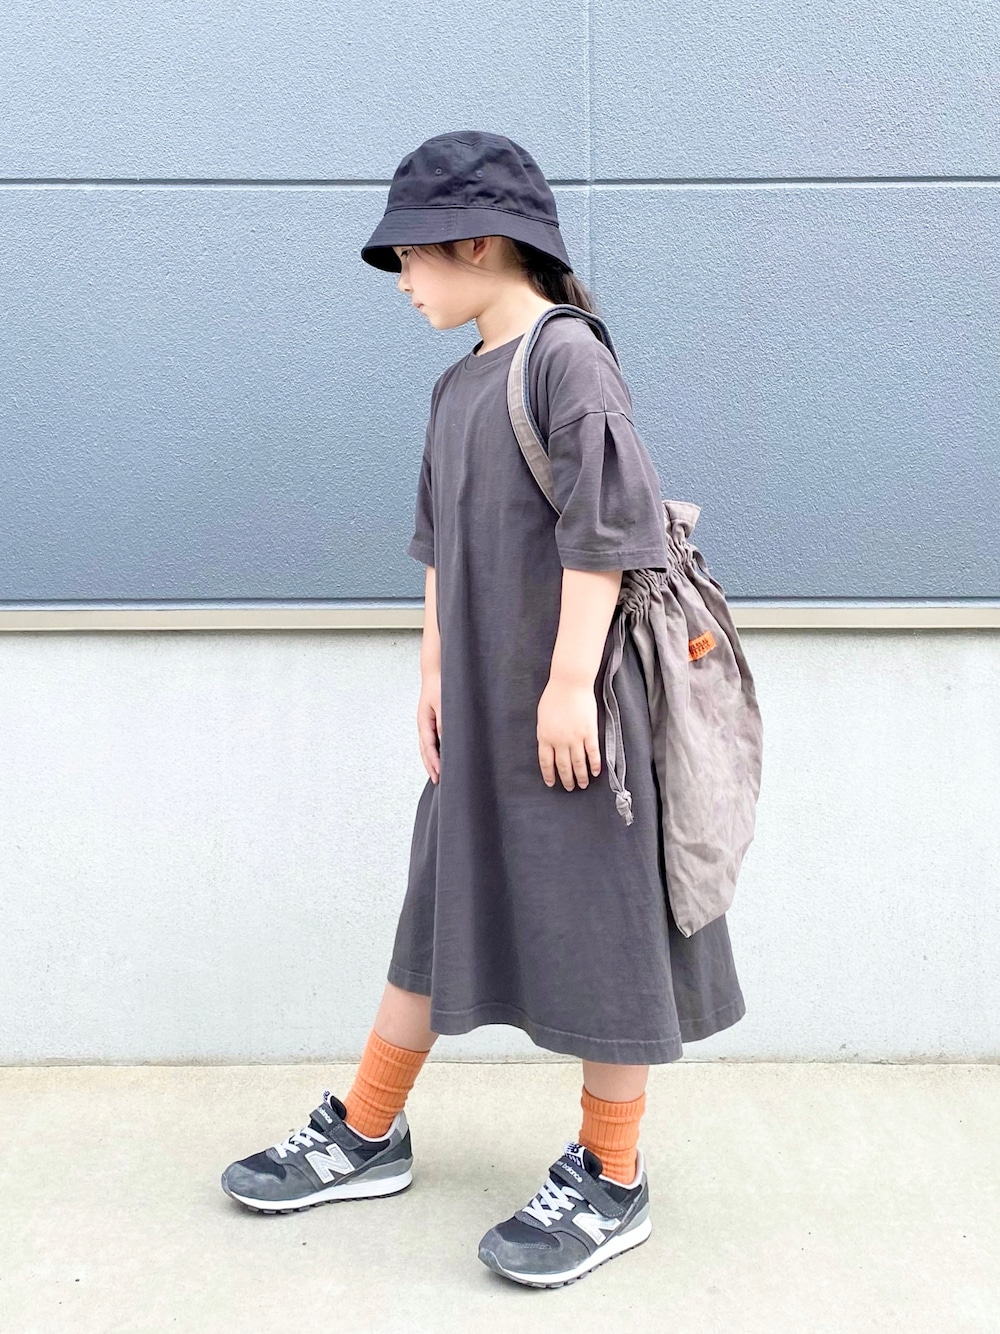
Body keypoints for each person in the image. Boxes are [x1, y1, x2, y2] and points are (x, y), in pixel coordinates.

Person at [220, 130, 746, 1289]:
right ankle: (368, 1126)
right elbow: (438, 544)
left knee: (603, 925)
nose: (402, 282)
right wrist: (431, 671)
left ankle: (612, 1172)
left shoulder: (565, 358)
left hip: (573, 709)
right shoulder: (458, 382)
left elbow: (607, 531)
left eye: (409, 257)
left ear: (477, 242)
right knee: (436, 904)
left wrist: (565, 684)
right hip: (482, 706)